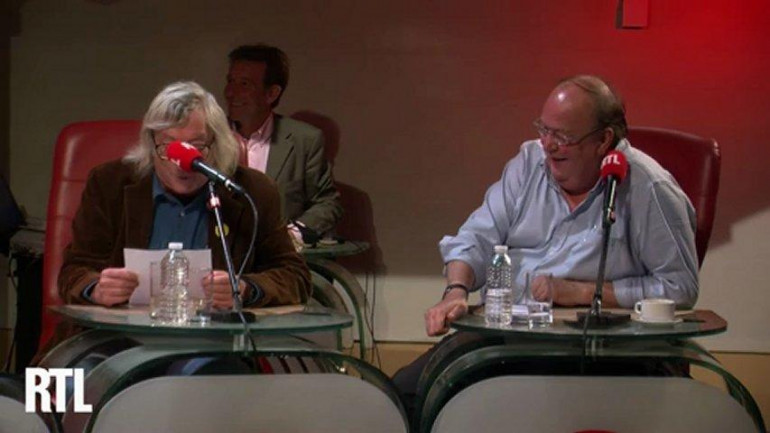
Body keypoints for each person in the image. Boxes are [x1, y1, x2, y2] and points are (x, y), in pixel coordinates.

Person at [393, 75, 699, 418]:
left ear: (603, 140)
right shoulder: (529, 163)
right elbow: (475, 237)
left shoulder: (648, 187)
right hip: (506, 340)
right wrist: (456, 290)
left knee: (524, 410)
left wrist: (581, 293)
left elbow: (680, 286)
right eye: (544, 130)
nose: (549, 146)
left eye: (563, 137)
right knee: (404, 396)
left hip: (599, 351)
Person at [58, 80, 311, 311]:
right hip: (119, 336)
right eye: (169, 147)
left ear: (217, 145)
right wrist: (97, 289)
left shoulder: (252, 192)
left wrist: (245, 289)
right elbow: (74, 271)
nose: (182, 164)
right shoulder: (109, 184)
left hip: (214, 338)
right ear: (151, 146)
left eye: (197, 147)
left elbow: (295, 277)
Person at [225, 44, 342, 245]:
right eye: (230, 81)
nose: (230, 92)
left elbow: (327, 203)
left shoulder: (304, 140)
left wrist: (291, 236)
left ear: (272, 93)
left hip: (277, 256)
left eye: (244, 84)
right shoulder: (209, 136)